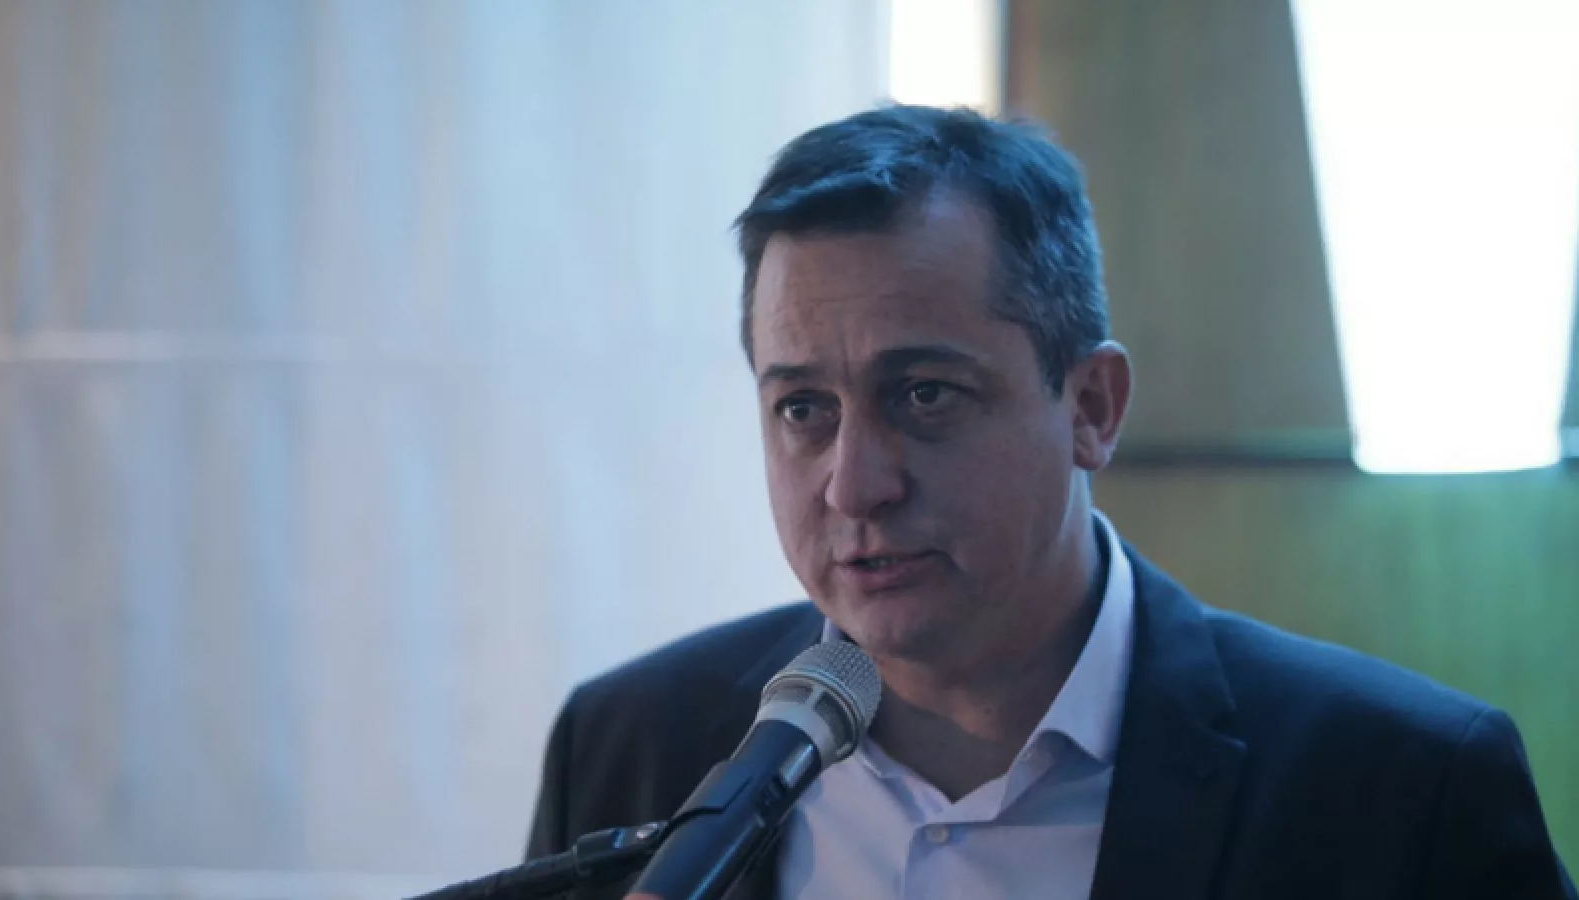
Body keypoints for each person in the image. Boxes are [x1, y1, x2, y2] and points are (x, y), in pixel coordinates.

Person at [525, 105, 1575, 900]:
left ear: (1091, 407)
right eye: (804, 408)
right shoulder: (632, 746)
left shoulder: (1401, 788)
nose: (853, 484)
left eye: (924, 395)